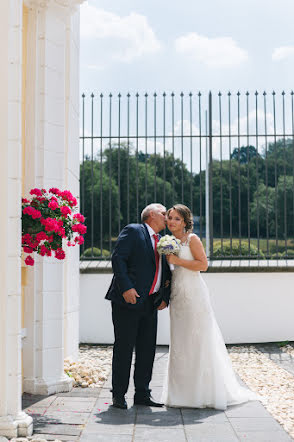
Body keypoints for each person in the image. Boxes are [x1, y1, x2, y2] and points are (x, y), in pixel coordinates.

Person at [162, 204, 259, 409]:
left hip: (194, 294)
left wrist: (177, 260)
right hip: (177, 294)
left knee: (197, 339)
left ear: (185, 221)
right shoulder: (168, 242)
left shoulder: (192, 239)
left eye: (177, 219)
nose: (171, 221)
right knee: (180, 342)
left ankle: (202, 392)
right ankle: (179, 394)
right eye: (169, 217)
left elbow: (203, 265)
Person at [105, 203, 171, 409]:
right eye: (163, 213)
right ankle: (118, 394)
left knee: (147, 350)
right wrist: (126, 288)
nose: (167, 217)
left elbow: (166, 271)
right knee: (124, 348)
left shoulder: (162, 241)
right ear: (151, 214)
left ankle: (142, 393)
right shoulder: (134, 230)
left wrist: (164, 297)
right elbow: (118, 258)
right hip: (128, 300)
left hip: (150, 303)